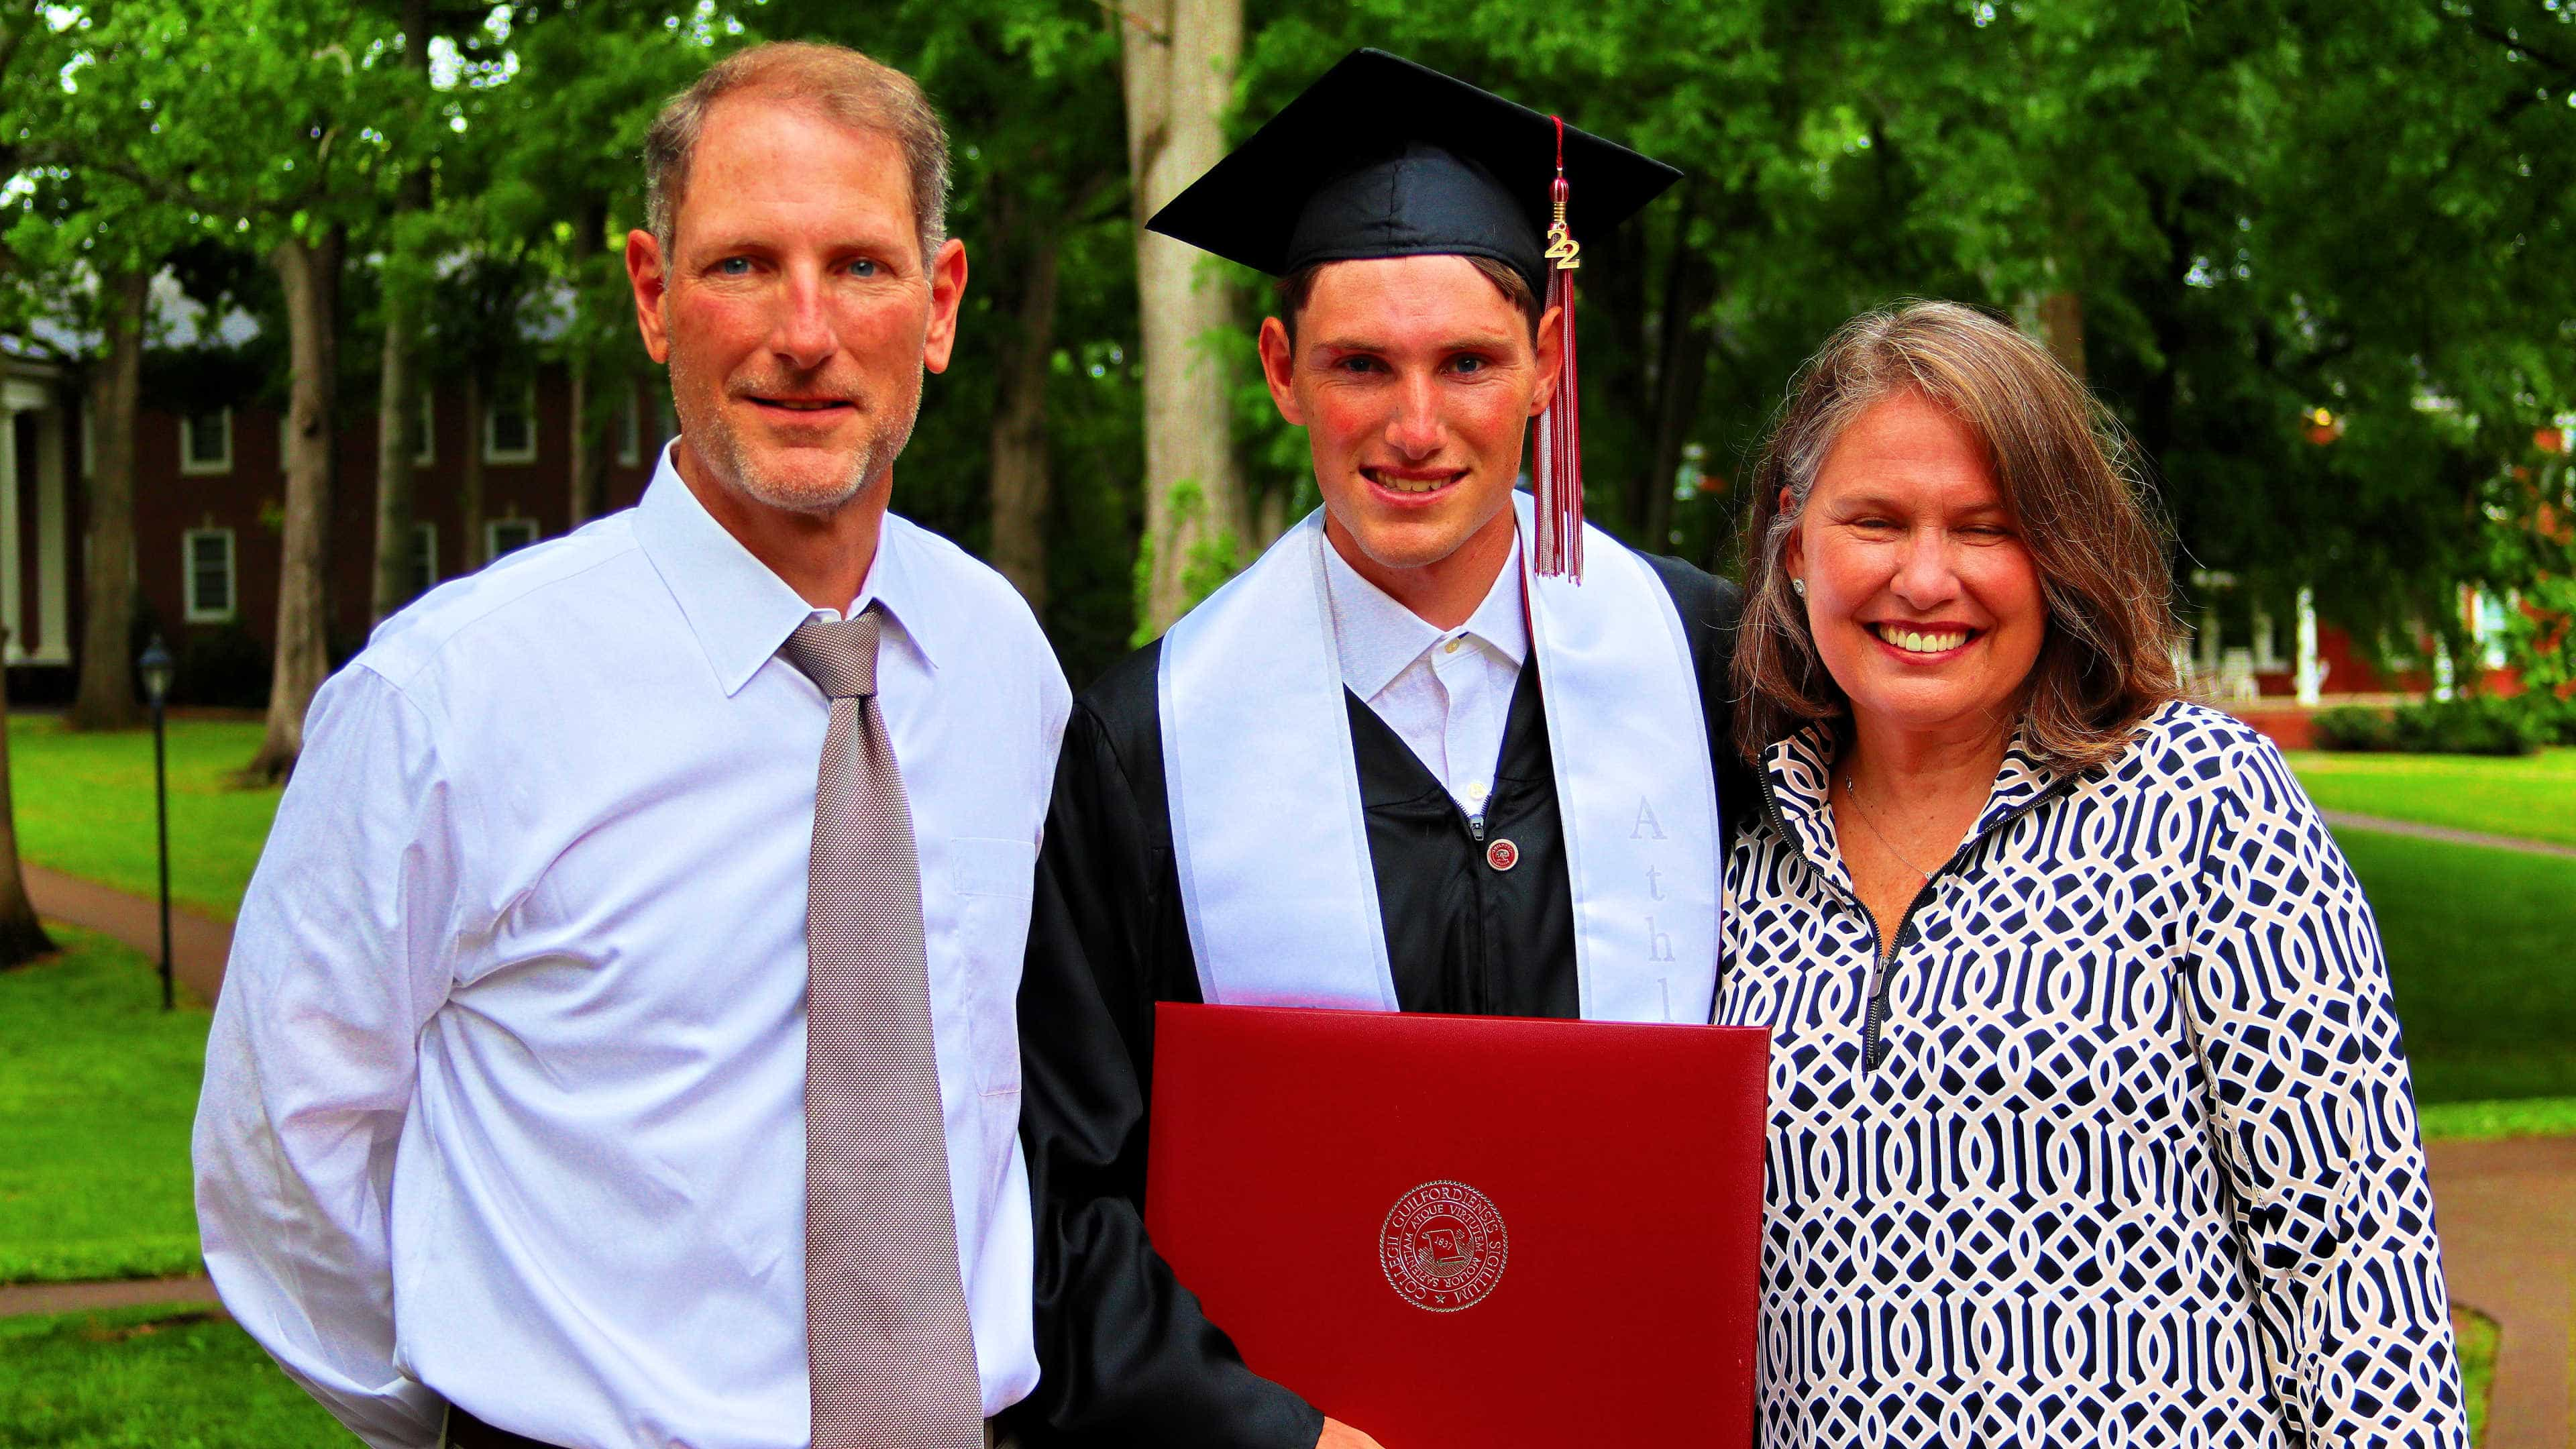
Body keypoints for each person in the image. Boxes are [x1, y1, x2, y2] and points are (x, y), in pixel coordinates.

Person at [193, 42, 1068, 1449]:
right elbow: (280, 1162)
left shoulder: (1001, 659)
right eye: (740, 266)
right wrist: (475, 1418)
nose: (804, 331)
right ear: (653, 298)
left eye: (859, 264)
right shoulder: (449, 700)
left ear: (941, 301)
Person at [1014, 49, 1744, 1449]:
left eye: (1467, 361)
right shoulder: (1145, 741)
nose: (1416, 426)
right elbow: (1068, 1191)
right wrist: (1273, 1436)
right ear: (1285, 373)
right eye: (1363, 365)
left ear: (1546, 365)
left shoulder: (1705, 665)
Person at [1716, 301, 2469, 1448]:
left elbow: (2357, 1276)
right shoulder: (1733, 848)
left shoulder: (2207, 805)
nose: (1925, 580)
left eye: (1986, 527)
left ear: (2060, 550)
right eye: (1875, 521)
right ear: (1793, 537)